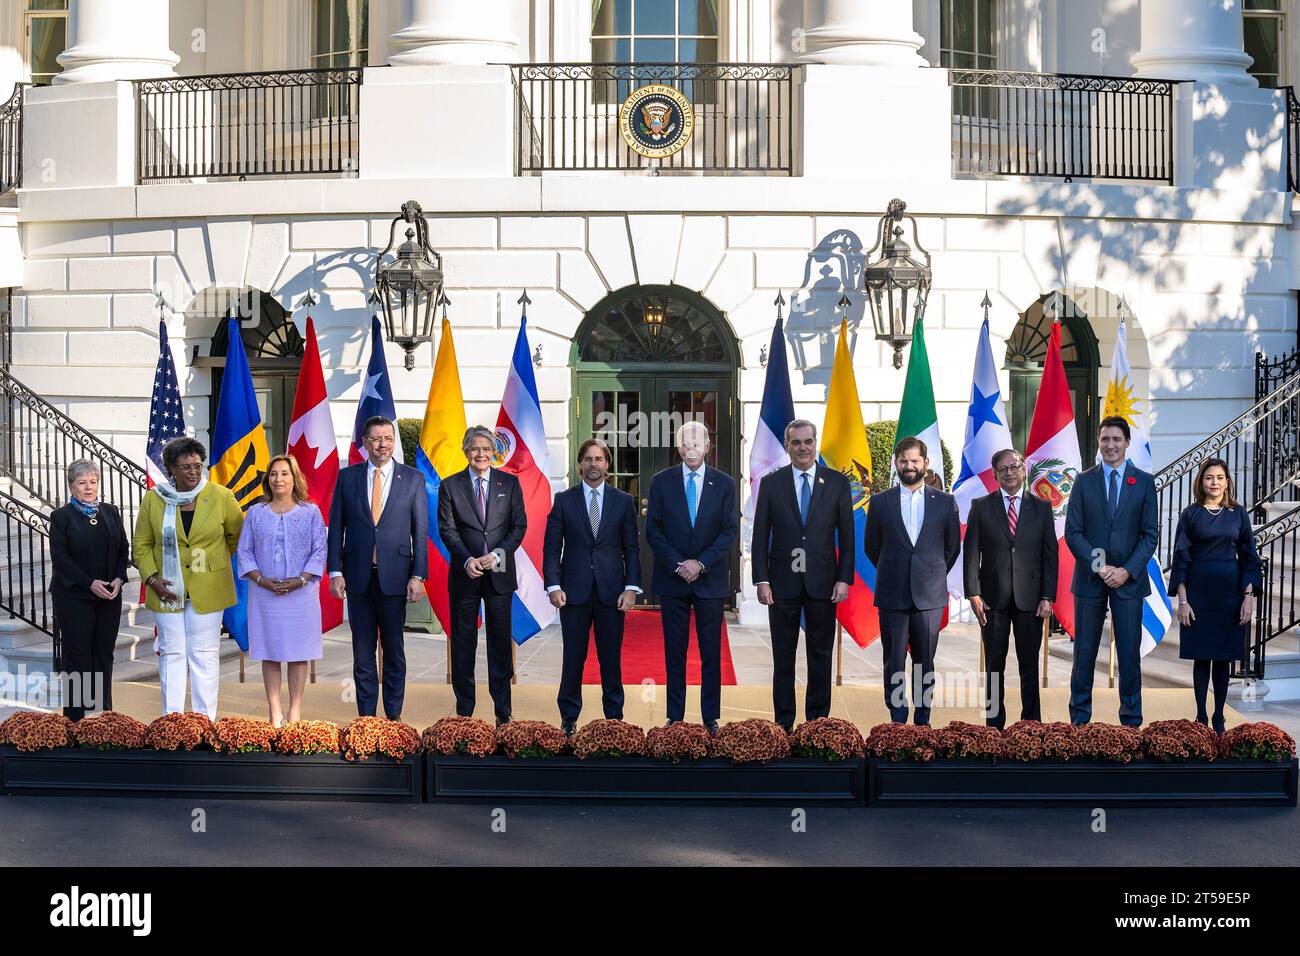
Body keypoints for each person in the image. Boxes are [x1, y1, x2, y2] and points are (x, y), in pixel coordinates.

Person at [752, 419, 853, 731]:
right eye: (796, 443)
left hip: (824, 584)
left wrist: (843, 577)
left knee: (820, 656)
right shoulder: (771, 483)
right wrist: (762, 579)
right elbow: (760, 536)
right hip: (782, 584)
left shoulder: (836, 483)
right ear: (787, 446)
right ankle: (783, 723)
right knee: (783, 656)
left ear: (815, 442)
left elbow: (847, 536)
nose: (803, 448)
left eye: (808, 441)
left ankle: (817, 724)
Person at [133, 436, 244, 718]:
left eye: (198, 465)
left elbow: (236, 537)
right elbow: (142, 545)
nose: (194, 471)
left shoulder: (221, 496)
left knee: (204, 654)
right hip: (165, 589)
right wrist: (152, 579)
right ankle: (172, 720)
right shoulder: (154, 499)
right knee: (172, 653)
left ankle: (203, 721)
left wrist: (209, 565)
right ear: (172, 468)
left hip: (208, 588)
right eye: (186, 466)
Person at [327, 416, 427, 721]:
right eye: (376, 439)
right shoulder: (348, 478)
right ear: (365, 443)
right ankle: (367, 720)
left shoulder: (412, 479)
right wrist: (335, 571)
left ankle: (393, 717)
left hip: (396, 577)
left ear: (393, 442)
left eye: (388, 439)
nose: (383, 445)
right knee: (363, 653)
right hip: (357, 578)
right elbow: (336, 527)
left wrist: (418, 575)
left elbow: (419, 529)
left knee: (394, 652)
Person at [1063, 415, 1159, 727]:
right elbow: (1074, 532)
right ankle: (1079, 721)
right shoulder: (1083, 481)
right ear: (1099, 443)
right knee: (1085, 654)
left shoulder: (1144, 482)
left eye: (1116, 439)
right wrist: (1101, 566)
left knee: (1129, 655)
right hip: (1092, 580)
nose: (1110, 445)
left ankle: (1131, 721)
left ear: (1127, 443)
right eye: (1105, 439)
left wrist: (1127, 571)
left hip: (1128, 583)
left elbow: (1150, 535)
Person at [645, 420, 738, 735]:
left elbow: (729, 532)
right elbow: (653, 530)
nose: (691, 448)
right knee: (675, 651)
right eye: (685, 442)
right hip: (673, 581)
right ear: (678, 446)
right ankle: (675, 716)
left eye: (697, 442)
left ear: (708, 446)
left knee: (711, 652)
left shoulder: (725, 484)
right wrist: (678, 564)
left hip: (709, 581)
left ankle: (710, 717)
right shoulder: (661, 482)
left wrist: (701, 563)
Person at [543, 437, 641, 734]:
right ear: (580, 465)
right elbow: (551, 547)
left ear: (607, 464)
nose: (594, 464)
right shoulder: (564, 500)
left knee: (611, 658)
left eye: (599, 459)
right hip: (573, 593)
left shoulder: (623, 501)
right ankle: (569, 717)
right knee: (573, 657)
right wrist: (553, 585)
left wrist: (631, 587)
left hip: (612, 593)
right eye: (588, 459)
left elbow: (632, 548)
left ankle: (614, 718)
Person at [863, 436, 960, 725]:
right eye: (904, 460)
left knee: (924, 662)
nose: (909, 466)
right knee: (893, 661)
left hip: (929, 595)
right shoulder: (880, 502)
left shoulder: (945, 502)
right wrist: (895, 569)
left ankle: (923, 718)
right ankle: (897, 717)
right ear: (896, 463)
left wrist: (929, 572)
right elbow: (871, 547)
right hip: (892, 593)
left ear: (925, 463)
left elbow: (951, 548)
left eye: (915, 460)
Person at [437, 425, 527, 726]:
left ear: (494, 452)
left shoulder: (509, 484)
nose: (481, 454)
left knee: (500, 644)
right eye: (475, 448)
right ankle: (465, 713)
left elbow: (519, 526)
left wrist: (498, 554)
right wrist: (467, 560)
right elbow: (447, 529)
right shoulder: (450, 486)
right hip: (466, 574)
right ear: (466, 452)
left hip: (499, 573)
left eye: (486, 449)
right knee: (464, 644)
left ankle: (503, 713)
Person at [962, 448, 1058, 729]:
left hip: (1031, 600)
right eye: (1003, 469)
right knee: (994, 667)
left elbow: (1050, 554)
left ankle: (1031, 724)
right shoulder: (981, 506)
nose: (1009, 472)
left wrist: (1048, 596)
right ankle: (994, 725)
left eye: (1014, 466)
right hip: (993, 600)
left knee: (1029, 665)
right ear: (995, 474)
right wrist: (974, 593)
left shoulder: (1041, 508)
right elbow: (971, 555)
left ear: (1023, 470)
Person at [1169, 458, 1261, 734]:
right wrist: (1183, 601)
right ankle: (1201, 717)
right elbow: (1181, 557)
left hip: (1230, 594)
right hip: (1198, 594)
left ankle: (1219, 718)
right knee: (1202, 657)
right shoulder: (1190, 514)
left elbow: (1249, 557)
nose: (1215, 482)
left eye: (1220, 477)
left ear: (1227, 482)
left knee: (1222, 657)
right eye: (1210, 477)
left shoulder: (1238, 513)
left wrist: (1248, 596)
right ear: (1202, 482)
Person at [236, 454, 328, 727]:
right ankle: (274, 711)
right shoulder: (256, 513)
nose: (279, 479)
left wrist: (300, 580)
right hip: (265, 592)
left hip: (301, 592)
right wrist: (261, 579)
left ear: (294, 478)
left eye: (285, 473)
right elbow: (244, 550)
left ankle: (294, 711)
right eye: (274, 474)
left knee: (298, 653)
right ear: (268, 479)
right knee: (271, 651)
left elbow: (320, 549)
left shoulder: (310, 511)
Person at [48, 459, 129, 721]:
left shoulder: (110, 512)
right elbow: (61, 559)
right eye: (82, 483)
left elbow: (122, 548)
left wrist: (118, 577)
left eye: (93, 482)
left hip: (108, 595)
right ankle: (75, 718)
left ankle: (101, 715)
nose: (88, 487)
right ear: (72, 486)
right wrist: (89, 582)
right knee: (78, 655)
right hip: (74, 596)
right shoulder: (61, 517)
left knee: (103, 653)